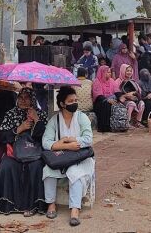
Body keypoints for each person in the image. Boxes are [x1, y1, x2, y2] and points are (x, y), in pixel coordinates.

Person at [0, 88, 48, 217]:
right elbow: (2, 137)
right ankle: (1, 204)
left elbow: (46, 138)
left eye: (27, 98)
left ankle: (32, 206)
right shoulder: (10, 114)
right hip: (14, 152)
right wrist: (19, 128)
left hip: (34, 152)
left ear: (32, 100)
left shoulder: (41, 114)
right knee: (6, 166)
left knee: (36, 167)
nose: (23, 100)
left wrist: (37, 120)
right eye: (21, 97)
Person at [42, 86, 94, 227]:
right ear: (62, 104)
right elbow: (46, 142)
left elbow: (89, 139)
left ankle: (75, 210)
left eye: (76, 100)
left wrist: (73, 140)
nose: (74, 103)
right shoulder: (54, 120)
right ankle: (51, 205)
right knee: (48, 170)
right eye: (71, 101)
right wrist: (64, 146)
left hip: (80, 158)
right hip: (62, 157)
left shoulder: (82, 117)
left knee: (74, 173)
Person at [92, 66, 119, 132]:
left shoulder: (112, 81)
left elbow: (117, 91)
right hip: (99, 102)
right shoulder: (97, 81)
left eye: (110, 72)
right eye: (108, 72)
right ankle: (104, 127)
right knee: (106, 104)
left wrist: (121, 97)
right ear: (102, 73)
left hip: (110, 100)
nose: (110, 74)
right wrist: (107, 100)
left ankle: (114, 125)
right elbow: (98, 96)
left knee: (115, 104)